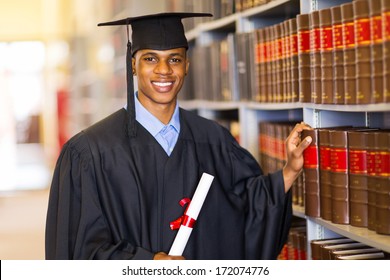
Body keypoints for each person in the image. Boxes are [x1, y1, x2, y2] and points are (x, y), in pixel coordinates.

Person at [45, 12, 312, 260]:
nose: (164, 70)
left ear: (186, 65)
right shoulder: (90, 152)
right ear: (133, 65)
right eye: (150, 58)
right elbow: (78, 249)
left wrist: (289, 170)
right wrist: (146, 263)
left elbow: (247, 209)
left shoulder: (214, 140)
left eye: (174, 59)